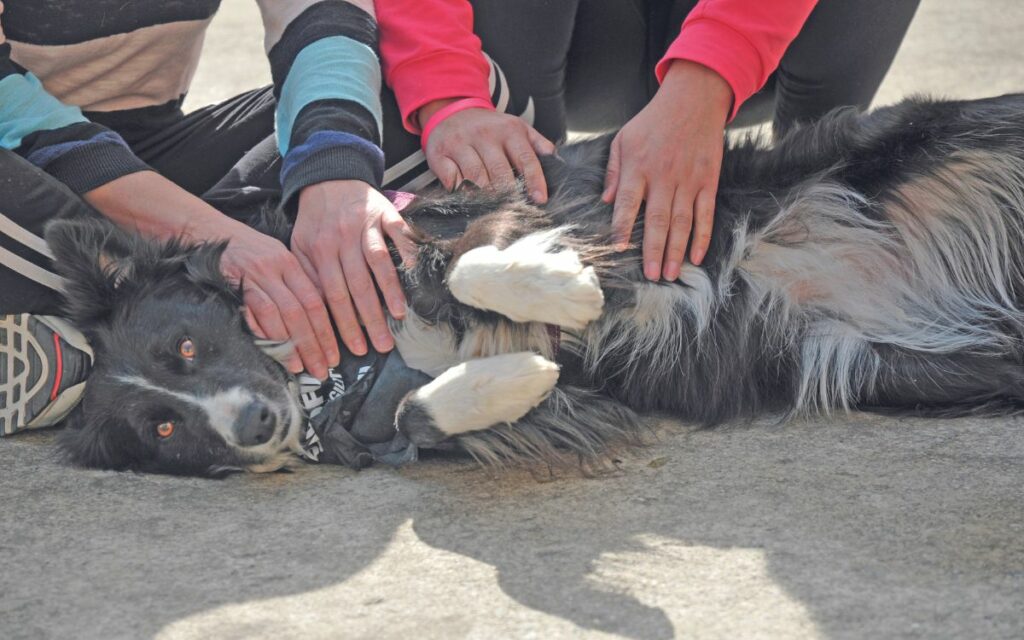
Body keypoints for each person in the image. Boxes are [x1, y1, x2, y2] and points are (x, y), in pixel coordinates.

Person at [0, 0, 543, 435]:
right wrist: (203, 236)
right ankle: (109, 360)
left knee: (475, 110)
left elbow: (319, 15)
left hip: (149, 145)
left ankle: (132, 323)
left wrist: (335, 175)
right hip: (17, 171)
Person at [377, 0, 921, 281]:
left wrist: (705, 82)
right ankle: (531, 221)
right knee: (524, 239)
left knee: (810, 209)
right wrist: (448, 92)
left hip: (763, 34)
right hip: (577, 42)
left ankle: (819, 202)